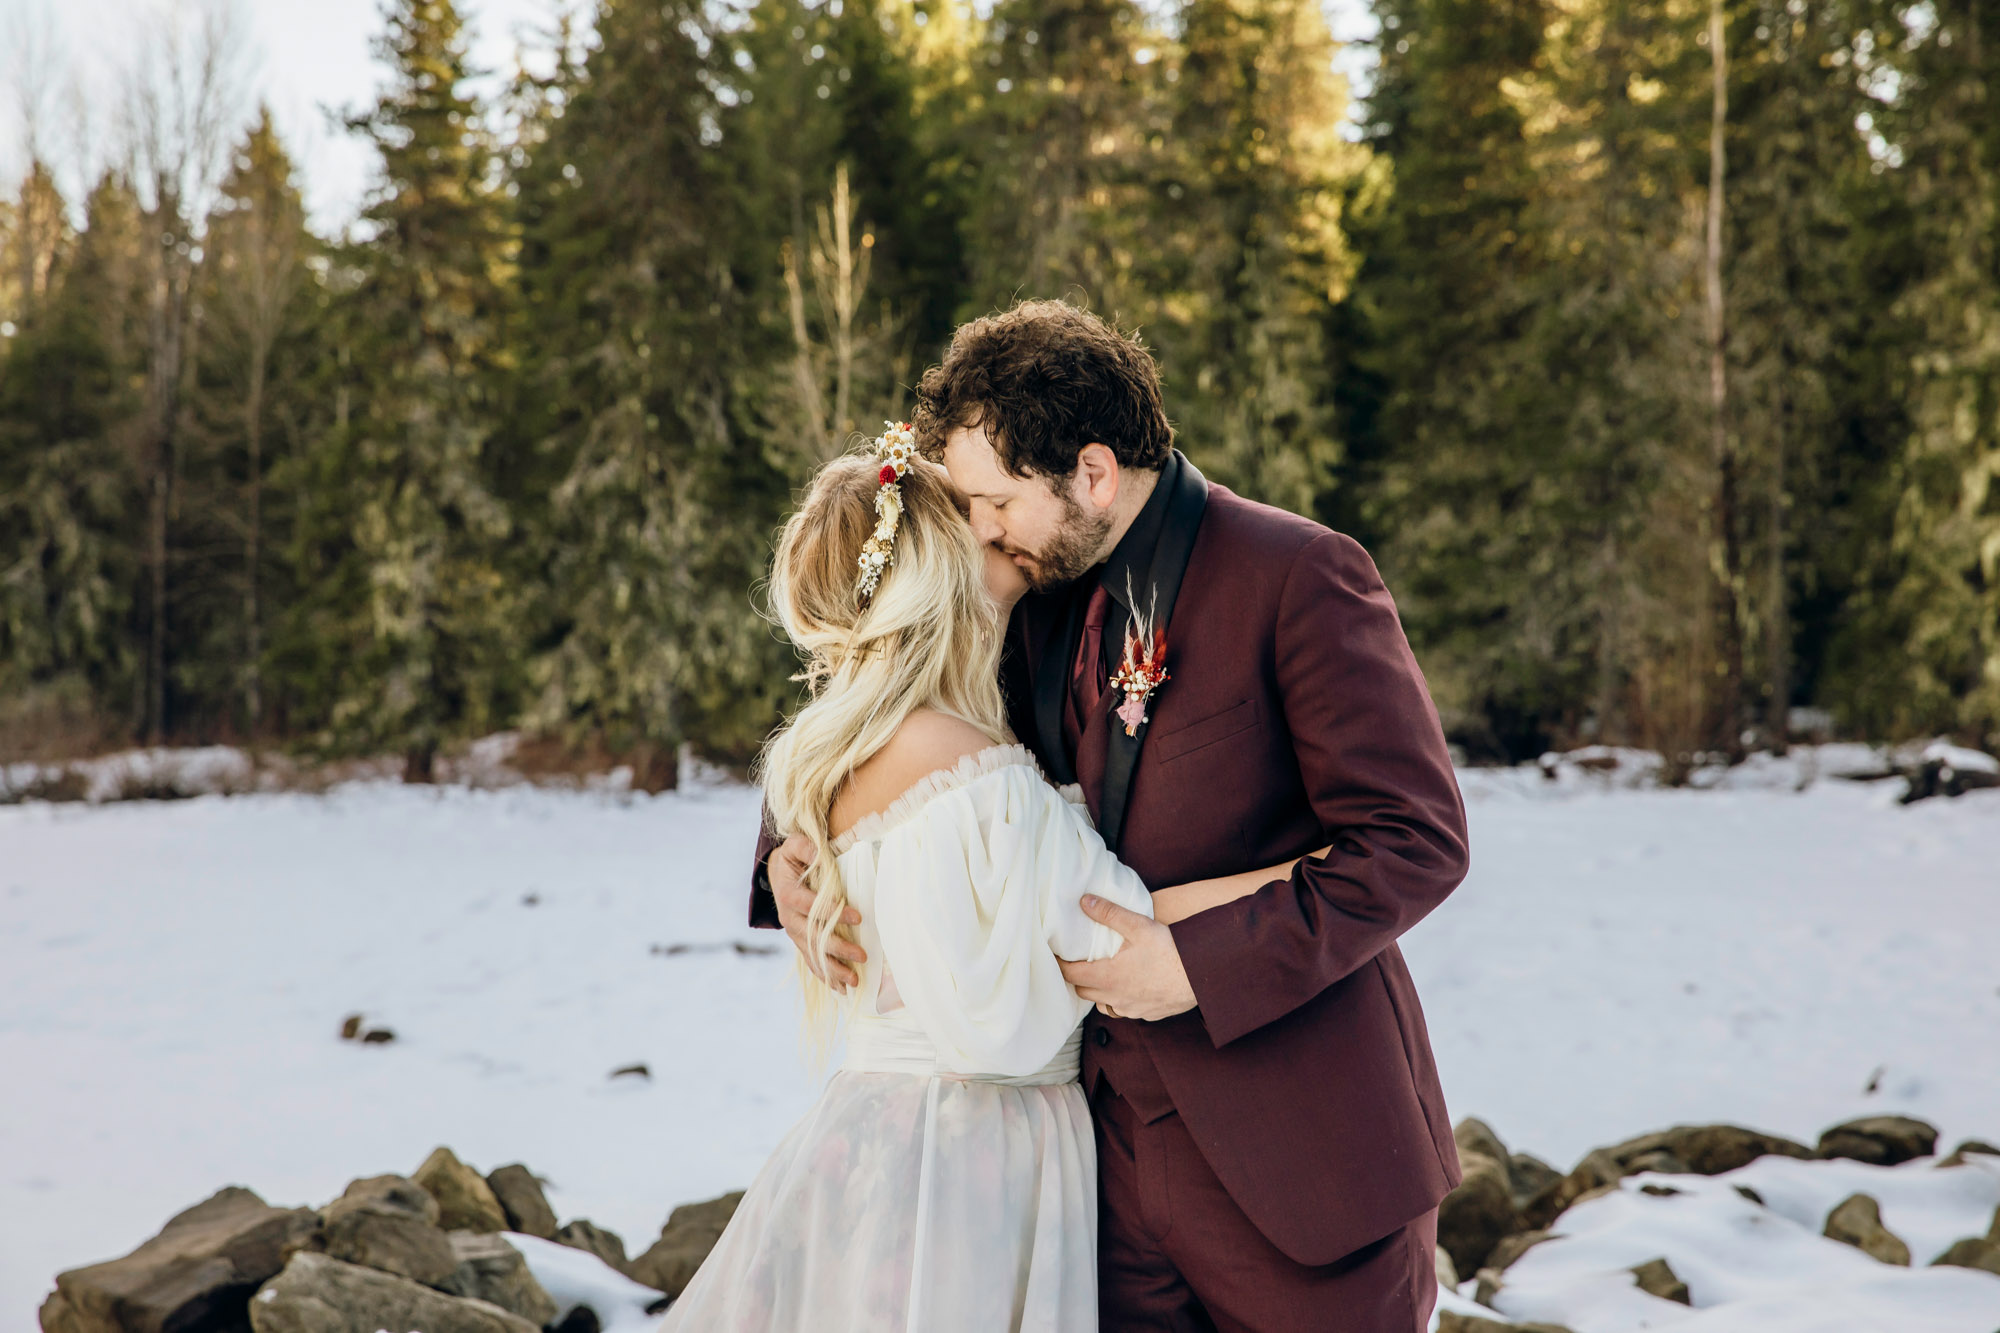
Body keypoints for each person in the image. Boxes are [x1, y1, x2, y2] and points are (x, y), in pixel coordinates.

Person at [756, 301, 1471, 1331]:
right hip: (1086, 1186)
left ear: (1091, 472)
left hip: (1298, 1164)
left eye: (995, 500)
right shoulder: (1008, 587)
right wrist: (792, 849)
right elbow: (885, 701)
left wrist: (1194, 962)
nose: (979, 529)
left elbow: (1413, 839)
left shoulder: (1295, 576)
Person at [668, 434, 1313, 1332]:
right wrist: (1301, 872)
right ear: (936, 572)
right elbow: (1108, 925)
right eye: (973, 524)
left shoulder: (823, 756)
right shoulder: (975, 770)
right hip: (968, 1159)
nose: (996, 533)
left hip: (869, 1138)